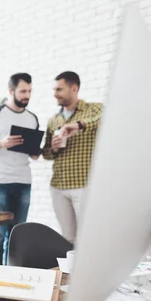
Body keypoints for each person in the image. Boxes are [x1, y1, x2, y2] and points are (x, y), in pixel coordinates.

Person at [0, 73, 40, 265]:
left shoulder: (32, 118)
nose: (27, 95)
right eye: (23, 91)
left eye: (29, 91)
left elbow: (34, 154)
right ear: (11, 91)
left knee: (17, 237)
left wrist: (35, 152)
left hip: (23, 181)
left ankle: (12, 281)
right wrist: (2, 143)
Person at [42, 71, 103, 243]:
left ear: (74, 88)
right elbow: (46, 154)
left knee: (88, 236)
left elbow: (106, 118)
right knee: (67, 238)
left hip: (83, 186)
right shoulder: (54, 120)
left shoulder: (93, 109)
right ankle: (71, 271)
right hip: (59, 187)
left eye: (59, 89)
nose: (55, 94)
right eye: (54, 90)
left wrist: (79, 125)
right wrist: (52, 148)